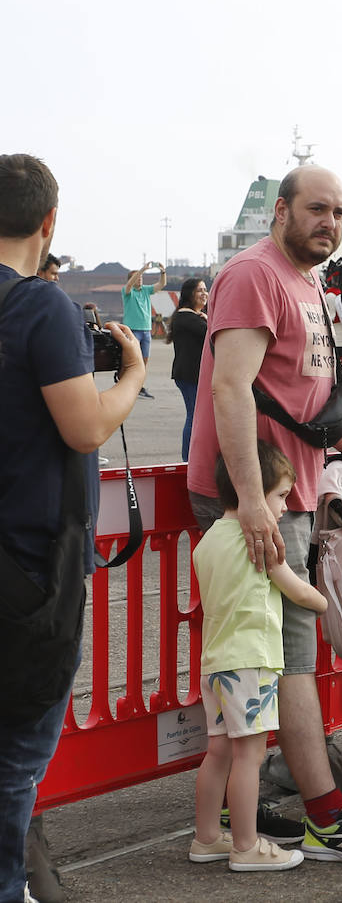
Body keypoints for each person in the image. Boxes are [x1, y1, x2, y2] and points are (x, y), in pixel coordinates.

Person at [185, 164, 342, 867]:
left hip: (288, 490)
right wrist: (251, 502)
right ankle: (326, 816)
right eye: (318, 209)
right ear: (280, 210)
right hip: (256, 495)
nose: (331, 223)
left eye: (340, 213)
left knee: (280, 652)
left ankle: (240, 809)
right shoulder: (254, 275)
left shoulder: (309, 280)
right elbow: (231, 388)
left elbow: (300, 393)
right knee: (289, 655)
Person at [0, 153, 145, 903]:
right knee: (17, 760)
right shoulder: (40, 307)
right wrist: (130, 377)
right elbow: (84, 428)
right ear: (48, 222)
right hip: (29, 573)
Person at [190, 444, 327, 872]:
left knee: (218, 753)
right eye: (281, 496)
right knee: (249, 755)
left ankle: (206, 837)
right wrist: (324, 603)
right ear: (252, 492)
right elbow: (298, 591)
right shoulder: (260, 540)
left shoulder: (208, 540)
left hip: (215, 663)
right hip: (251, 661)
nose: (285, 508)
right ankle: (247, 847)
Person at [168, 277, 209, 461]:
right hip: (190, 375)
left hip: (193, 375)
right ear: (189, 294)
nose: (204, 294)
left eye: (205, 289)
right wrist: (209, 319)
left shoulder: (194, 316)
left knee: (196, 416)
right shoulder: (186, 317)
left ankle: (192, 457)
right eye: (199, 290)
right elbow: (213, 334)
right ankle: (188, 459)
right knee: (194, 417)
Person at [122, 260, 165, 400]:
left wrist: (163, 272)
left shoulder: (146, 290)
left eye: (141, 278)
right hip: (132, 330)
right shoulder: (127, 291)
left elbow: (161, 285)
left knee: (144, 360)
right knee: (130, 359)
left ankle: (139, 386)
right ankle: (124, 383)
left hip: (146, 330)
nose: (140, 279)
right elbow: (129, 285)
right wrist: (142, 270)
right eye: (137, 278)